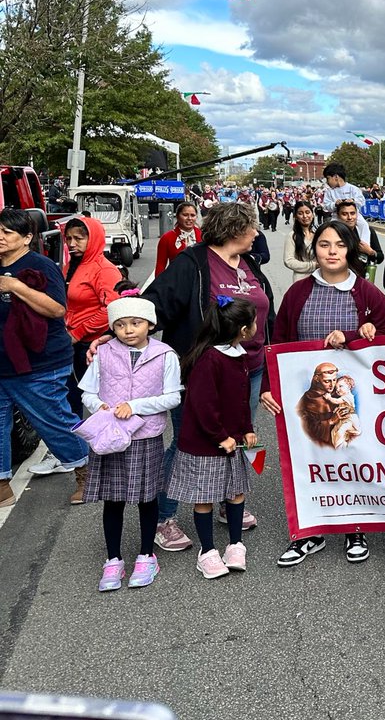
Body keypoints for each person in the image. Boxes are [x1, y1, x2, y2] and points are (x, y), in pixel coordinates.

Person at [141, 201, 275, 552]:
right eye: (253, 227)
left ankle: (226, 502)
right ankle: (163, 517)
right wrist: (118, 332)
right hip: (203, 370)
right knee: (189, 443)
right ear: (235, 230)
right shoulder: (193, 264)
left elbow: (266, 314)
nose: (257, 234)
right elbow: (155, 304)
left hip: (248, 368)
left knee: (238, 436)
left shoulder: (249, 265)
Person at [263, 219, 385, 566]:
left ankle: (356, 525)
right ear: (314, 249)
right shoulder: (298, 293)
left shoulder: (366, 292)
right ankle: (311, 530)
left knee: (352, 456)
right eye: (324, 244)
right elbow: (278, 343)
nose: (332, 251)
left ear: (350, 249)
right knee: (309, 459)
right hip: (307, 397)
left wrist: (357, 333)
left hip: (354, 397)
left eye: (339, 244)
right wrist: (268, 386)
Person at [80, 289, 183, 591]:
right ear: (113, 327)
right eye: (121, 324)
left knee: (146, 498)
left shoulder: (165, 355)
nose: (128, 330)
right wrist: (97, 405)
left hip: (145, 436)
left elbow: (172, 396)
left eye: (136, 323)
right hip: (110, 436)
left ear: (150, 324)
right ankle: (113, 559)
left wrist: (135, 406)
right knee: (113, 500)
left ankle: (146, 554)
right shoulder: (104, 353)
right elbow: (87, 390)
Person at [0, 208, 91, 507]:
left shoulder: (39, 266)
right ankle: (2, 485)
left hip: (40, 363)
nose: (0, 237)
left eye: (7, 232)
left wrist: (15, 286)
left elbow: (57, 309)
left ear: (27, 238)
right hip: (3, 361)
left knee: (52, 421)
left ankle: (85, 471)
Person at [168, 297, 260, 580]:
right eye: (255, 322)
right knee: (205, 498)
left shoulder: (238, 354)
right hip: (207, 444)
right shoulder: (209, 359)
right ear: (244, 329)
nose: (258, 326)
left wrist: (246, 428)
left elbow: (242, 399)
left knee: (236, 492)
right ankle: (207, 551)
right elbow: (203, 405)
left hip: (232, 441)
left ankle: (235, 544)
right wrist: (221, 436)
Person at [57, 217, 122, 429]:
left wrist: (78, 333)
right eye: (68, 238)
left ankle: (103, 447)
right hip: (70, 340)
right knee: (69, 396)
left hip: (93, 344)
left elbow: (111, 309)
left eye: (79, 238)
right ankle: (74, 449)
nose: (72, 243)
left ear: (93, 239)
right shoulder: (70, 266)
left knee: (99, 401)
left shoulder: (104, 269)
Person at [335, 200, 384, 279]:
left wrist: (370, 252)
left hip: (361, 278)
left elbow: (380, 257)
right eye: (344, 214)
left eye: (352, 213)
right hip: (338, 277)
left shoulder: (367, 231)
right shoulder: (333, 233)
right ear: (338, 216)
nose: (350, 217)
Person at [155, 202, 203, 276]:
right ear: (177, 216)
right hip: (175, 280)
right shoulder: (167, 238)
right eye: (185, 215)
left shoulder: (203, 236)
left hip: (199, 281)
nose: (189, 218)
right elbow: (160, 265)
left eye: (192, 215)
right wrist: (158, 285)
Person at [320, 163, 367, 237]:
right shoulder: (329, 191)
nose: (327, 182)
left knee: (364, 225)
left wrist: (353, 201)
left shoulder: (353, 189)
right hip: (336, 217)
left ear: (335, 177)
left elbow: (362, 201)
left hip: (354, 216)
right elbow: (326, 206)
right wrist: (335, 204)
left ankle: (364, 244)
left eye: (328, 178)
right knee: (330, 230)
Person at [284, 200, 318, 283]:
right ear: (295, 216)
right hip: (302, 279)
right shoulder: (292, 236)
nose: (305, 216)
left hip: (320, 277)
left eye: (307, 212)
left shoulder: (319, 233)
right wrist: (313, 265)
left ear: (312, 214)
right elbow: (288, 261)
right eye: (300, 213)